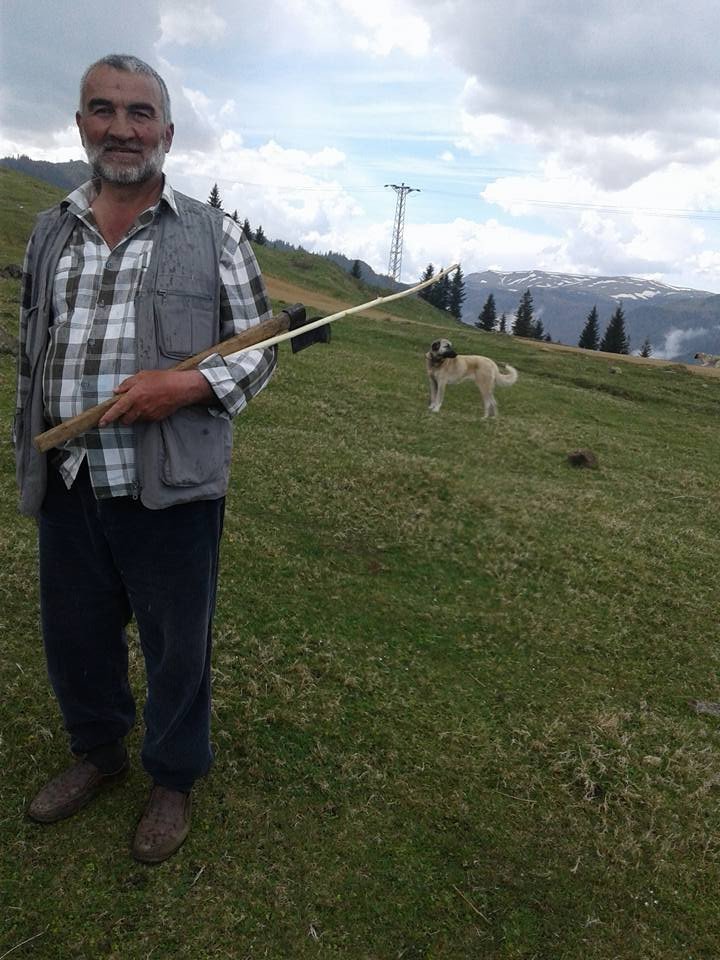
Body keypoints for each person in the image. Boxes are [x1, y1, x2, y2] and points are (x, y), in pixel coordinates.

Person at [14, 54, 276, 864]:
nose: (121, 129)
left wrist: (187, 385)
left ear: (167, 131)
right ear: (81, 124)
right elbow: (34, 346)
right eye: (104, 110)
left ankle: (171, 778)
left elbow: (264, 348)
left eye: (138, 113)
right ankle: (97, 754)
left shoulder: (213, 234)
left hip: (170, 489)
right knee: (76, 636)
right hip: (69, 478)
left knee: (176, 644)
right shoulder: (51, 228)